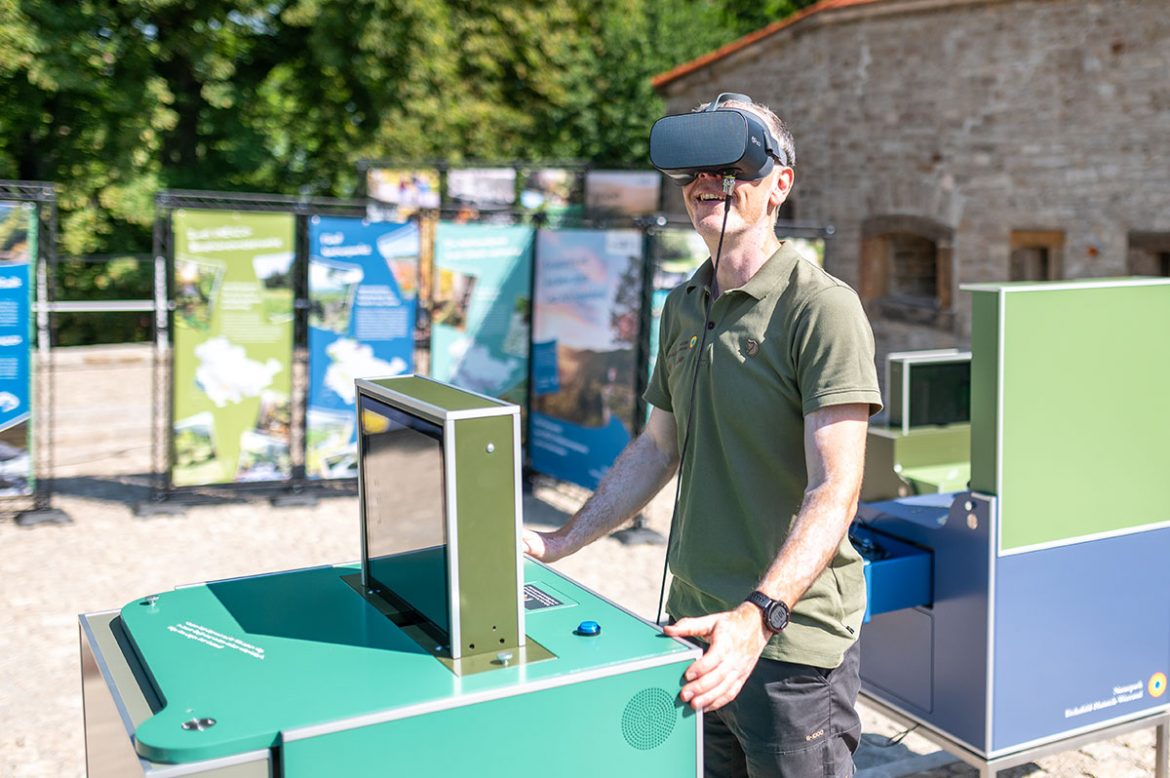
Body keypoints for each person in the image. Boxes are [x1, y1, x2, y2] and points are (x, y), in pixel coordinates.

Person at [523, 96, 882, 777]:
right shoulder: (683, 304)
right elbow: (659, 446)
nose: (708, 183)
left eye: (733, 165)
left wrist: (758, 616)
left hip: (788, 649)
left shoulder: (821, 308)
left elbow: (837, 486)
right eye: (693, 172)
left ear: (780, 184)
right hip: (689, 628)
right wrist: (560, 541)